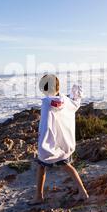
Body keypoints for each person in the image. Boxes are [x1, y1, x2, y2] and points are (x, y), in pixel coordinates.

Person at [29, 74, 89, 205]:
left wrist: (43, 140)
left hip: (50, 142)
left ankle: (38, 196)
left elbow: (45, 124)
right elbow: (74, 105)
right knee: (66, 165)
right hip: (62, 142)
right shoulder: (65, 100)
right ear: (57, 87)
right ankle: (83, 192)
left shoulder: (46, 103)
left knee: (41, 166)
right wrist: (76, 93)